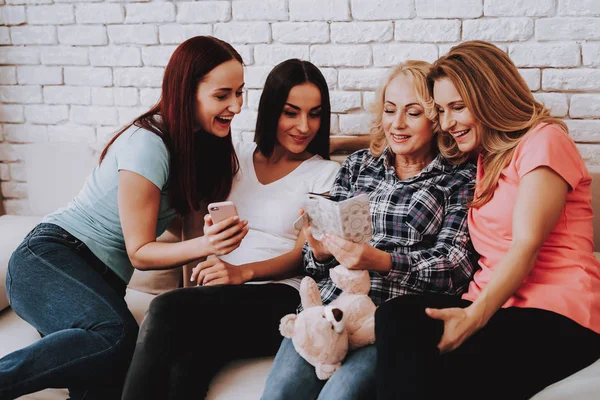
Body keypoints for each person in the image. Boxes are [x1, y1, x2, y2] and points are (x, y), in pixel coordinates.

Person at [0, 36, 249, 400]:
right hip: (50, 260)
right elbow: (140, 252)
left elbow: (192, 239)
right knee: (117, 335)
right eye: (223, 95)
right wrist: (210, 243)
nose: (236, 106)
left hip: (97, 285)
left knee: (112, 379)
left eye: (241, 92)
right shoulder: (149, 142)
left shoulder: (204, 148)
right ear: (187, 92)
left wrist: (195, 298)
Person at [375, 41, 600, 400]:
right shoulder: (486, 154)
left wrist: (473, 318)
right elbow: (417, 143)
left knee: (438, 375)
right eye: (441, 111)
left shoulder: (544, 142)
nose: (447, 123)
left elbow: (526, 245)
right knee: (396, 315)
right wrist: (347, 141)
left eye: (458, 108)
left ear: (489, 97)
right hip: (499, 309)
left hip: (557, 313)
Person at [121, 59, 341, 400]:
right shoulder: (234, 154)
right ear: (270, 110)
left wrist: (242, 272)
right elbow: (196, 220)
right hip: (221, 293)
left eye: (314, 114)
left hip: (282, 296)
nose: (304, 126)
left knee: (166, 308)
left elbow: (303, 256)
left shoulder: (326, 174)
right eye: (291, 112)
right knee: (189, 359)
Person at [261, 60, 478, 400]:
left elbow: (455, 266)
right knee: (279, 395)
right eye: (390, 110)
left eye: (413, 113)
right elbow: (313, 262)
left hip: (386, 325)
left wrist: (380, 260)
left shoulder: (458, 178)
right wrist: (318, 251)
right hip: (328, 310)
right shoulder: (359, 165)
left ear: (436, 120)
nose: (398, 123)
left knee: (339, 396)